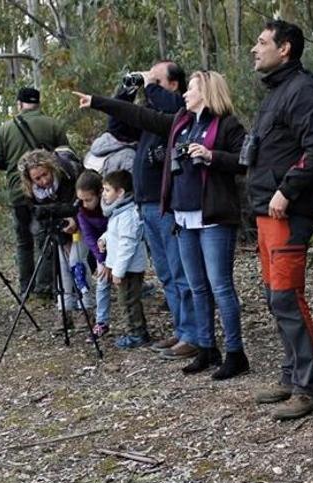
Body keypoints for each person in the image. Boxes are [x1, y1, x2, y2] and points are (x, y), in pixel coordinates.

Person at [74, 70, 250, 379]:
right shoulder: (180, 125)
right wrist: (99, 102)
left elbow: (244, 161)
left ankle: (235, 353)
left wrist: (211, 156)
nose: (185, 94)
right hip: (183, 217)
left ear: (207, 92)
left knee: (220, 287)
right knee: (196, 286)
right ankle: (207, 348)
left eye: (191, 89)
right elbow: (138, 114)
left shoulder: (227, 125)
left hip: (213, 218)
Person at [245, 20, 313, 419]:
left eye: (262, 42)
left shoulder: (302, 91)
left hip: (287, 210)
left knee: (287, 297)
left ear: (285, 49)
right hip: (267, 210)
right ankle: (291, 375)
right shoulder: (277, 91)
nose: (254, 48)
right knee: (273, 296)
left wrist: (286, 190)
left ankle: (308, 387)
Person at [101, 61, 200, 361]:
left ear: (173, 84)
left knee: (180, 271)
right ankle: (182, 330)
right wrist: (127, 89)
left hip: (167, 203)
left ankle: (193, 334)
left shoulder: (180, 111)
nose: (149, 84)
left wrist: (150, 84)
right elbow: (116, 126)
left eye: (157, 80)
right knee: (167, 274)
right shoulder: (151, 115)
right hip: (146, 204)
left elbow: (174, 106)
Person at [0, 87, 70, 298]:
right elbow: (66, 155)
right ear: (38, 103)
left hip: (18, 193)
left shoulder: (6, 129)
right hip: (47, 190)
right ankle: (47, 286)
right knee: (48, 237)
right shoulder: (53, 124)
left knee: (23, 241)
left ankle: (26, 287)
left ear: (19, 104)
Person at [16, 149, 87, 315]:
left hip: (81, 218)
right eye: (37, 178)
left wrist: (75, 220)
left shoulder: (70, 173)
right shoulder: (30, 191)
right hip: (56, 225)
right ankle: (66, 308)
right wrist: (57, 225)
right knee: (63, 264)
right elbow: (39, 215)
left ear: (52, 168)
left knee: (77, 261)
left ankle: (86, 304)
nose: (44, 180)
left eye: (45, 174)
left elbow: (85, 200)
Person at [98, 170, 150, 349]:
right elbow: (115, 232)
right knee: (127, 300)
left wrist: (118, 271)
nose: (104, 194)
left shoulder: (128, 215)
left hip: (129, 268)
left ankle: (136, 334)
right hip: (122, 267)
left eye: (107, 190)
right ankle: (137, 329)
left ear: (120, 192)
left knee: (128, 301)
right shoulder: (119, 211)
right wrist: (104, 238)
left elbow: (127, 244)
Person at [75, 170, 113, 337]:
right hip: (101, 248)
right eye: (81, 200)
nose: (84, 204)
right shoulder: (82, 212)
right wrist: (102, 260)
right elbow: (89, 237)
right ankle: (101, 321)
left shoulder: (112, 206)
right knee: (102, 282)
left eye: (88, 200)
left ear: (99, 193)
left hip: (120, 243)